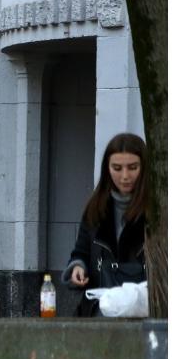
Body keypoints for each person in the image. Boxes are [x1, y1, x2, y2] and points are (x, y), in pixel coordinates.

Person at [63, 132, 149, 316]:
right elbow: (81, 252)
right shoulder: (95, 208)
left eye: (132, 167)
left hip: (141, 310)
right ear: (107, 169)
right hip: (100, 309)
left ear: (144, 167)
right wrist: (78, 268)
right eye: (117, 168)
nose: (125, 176)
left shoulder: (157, 211)